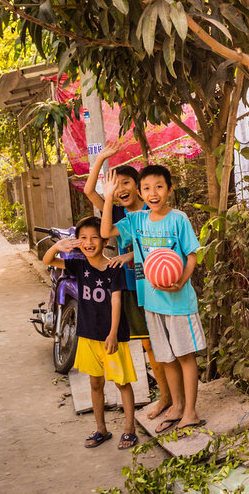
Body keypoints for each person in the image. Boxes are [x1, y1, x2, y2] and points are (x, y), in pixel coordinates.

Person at [100, 165, 206, 434]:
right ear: (139, 192)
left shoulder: (178, 219)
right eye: (146, 188)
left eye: (159, 186)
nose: (152, 193)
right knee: (166, 357)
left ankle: (191, 411)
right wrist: (109, 196)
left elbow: (191, 254)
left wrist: (181, 281)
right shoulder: (136, 221)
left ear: (169, 189)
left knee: (184, 356)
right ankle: (177, 406)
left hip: (179, 303)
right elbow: (104, 233)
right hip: (152, 302)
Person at [83, 146, 172, 421]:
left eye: (126, 183)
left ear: (138, 187)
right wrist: (100, 160)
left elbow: (159, 242)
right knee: (147, 344)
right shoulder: (117, 214)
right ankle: (166, 397)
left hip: (158, 282)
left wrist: (130, 253)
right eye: (115, 184)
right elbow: (89, 192)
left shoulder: (151, 208)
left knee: (161, 342)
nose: (121, 188)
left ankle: (171, 398)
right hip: (133, 285)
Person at [43, 216, 138, 450]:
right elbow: (49, 260)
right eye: (83, 238)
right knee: (95, 384)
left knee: (122, 383)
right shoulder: (79, 265)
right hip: (87, 335)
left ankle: (129, 430)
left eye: (94, 237)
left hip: (111, 338)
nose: (88, 242)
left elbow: (117, 302)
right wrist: (57, 246)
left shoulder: (114, 268)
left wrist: (113, 333)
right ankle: (101, 429)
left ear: (105, 241)